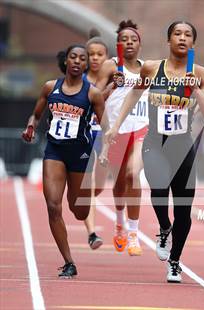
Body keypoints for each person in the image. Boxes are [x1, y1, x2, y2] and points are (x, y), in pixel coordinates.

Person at [105, 21, 204, 283]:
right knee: (159, 187)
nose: (182, 38)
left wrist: (196, 89)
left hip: (183, 145)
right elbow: (133, 95)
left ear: (193, 43)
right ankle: (164, 227)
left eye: (188, 34)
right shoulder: (152, 68)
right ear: (169, 40)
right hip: (154, 141)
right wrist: (116, 125)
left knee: (184, 211)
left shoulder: (201, 73)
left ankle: (174, 262)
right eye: (177, 33)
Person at [22, 45, 107, 278]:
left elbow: (106, 126)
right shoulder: (51, 87)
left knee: (79, 211)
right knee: (52, 206)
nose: (78, 61)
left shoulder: (93, 94)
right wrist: (31, 126)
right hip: (55, 151)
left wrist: (105, 151)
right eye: (73, 57)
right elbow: (37, 114)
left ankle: (80, 201)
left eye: (82, 58)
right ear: (66, 61)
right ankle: (69, 261)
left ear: (86, 64)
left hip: (80, 154)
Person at [96, 20, 148, 256]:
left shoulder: (148, 68)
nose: (129, 43)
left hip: (142, 128)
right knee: (118, 183)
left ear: (139, 43)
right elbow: (94, 97)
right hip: (116, 130)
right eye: (124, 39)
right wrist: (111, 88)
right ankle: (120, 224)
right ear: (118, 43)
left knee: (133, 174)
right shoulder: (111, 66)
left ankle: (134, 235)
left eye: (133, 39)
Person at [82, 29, 109, 250]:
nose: (95, 58)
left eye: (100, 54)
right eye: (91, 54)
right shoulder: (79, 80)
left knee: (98, 186)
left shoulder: (114, 77)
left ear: (106, 57)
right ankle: (92, 233)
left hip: (105, 137)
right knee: (89, 186)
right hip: (85, 136)